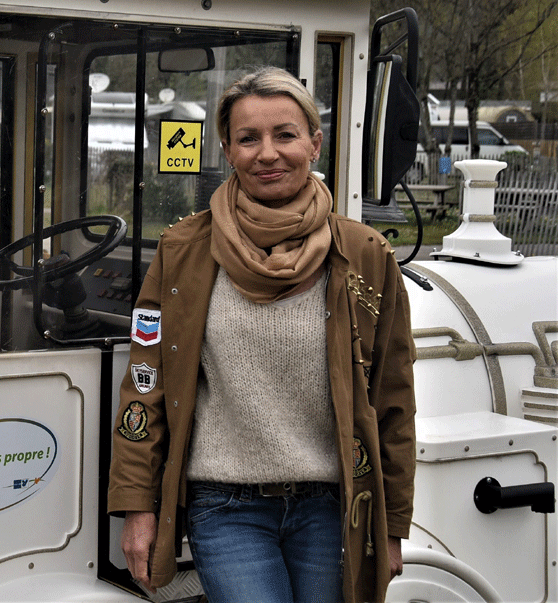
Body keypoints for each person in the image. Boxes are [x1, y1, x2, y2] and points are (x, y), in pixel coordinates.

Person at [108, 67, 416, 603]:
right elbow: (145, 383)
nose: (267, 153)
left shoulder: (365, 254)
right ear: (228, 149)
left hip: (331, 507)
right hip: (226, 509)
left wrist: (390, 529)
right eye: (248, 138)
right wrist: (139, 508)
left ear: (314, 144)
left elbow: (393, 400)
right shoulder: (183, 250)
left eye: (286, 135)